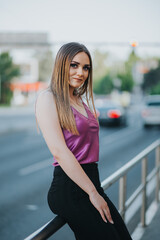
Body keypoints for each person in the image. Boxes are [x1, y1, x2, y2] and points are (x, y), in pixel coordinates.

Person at [35, 42, 132, 240]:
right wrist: (92, 193)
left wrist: (94, 191)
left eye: (85, 67)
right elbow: (59, 151)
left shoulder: (80, 100)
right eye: (74, 65)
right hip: (69, 189)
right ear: (61, 65)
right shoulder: (48, 98)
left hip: (91, 183)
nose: (81, 72)